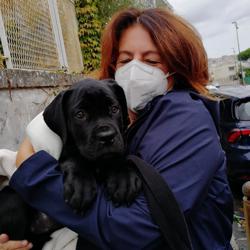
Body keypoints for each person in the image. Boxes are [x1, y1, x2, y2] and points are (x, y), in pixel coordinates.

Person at [2, 7, 233, 250]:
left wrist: (32, 169)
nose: (135, 71)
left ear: (178, 66)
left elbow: (134, 228)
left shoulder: (185, 118)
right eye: (124, 59)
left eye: (151, 60)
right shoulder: (138, 116)